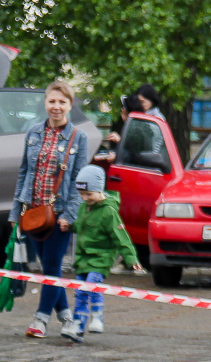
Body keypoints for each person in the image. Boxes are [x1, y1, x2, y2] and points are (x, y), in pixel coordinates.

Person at [9, 81, 90, 338]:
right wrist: (15, 213)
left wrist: (69, 216)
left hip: (60, 215)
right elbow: (24, 172)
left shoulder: (79, 138)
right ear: (45, 103)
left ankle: (40, 320)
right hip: (33, 213)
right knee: (48, 269)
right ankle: (66, 318)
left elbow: (80, 180)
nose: (56, 107)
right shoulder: (33, 133)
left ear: (70, 105)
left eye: (62, 102)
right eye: (52, 101)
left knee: (53, 267)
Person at [62, 165, 142, 342]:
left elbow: (120, 236)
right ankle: (78, 325)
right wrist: (70, 227)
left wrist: (131, 258)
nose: (85, 198)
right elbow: (81, 225)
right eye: (82, 194)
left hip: (101, 258)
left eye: (89, 194)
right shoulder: (84, 207)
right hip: (83, 258)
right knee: (81, 290)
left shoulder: (109, 211)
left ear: (99, 189)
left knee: (91, 285)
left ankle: (97, 316)